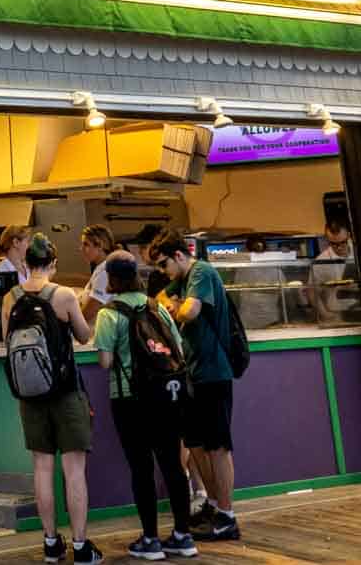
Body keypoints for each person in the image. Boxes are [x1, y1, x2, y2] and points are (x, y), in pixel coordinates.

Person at [3, 234, 100, 565]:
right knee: (73, 472)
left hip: (29, 397)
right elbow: (85, 336)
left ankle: (50, 544)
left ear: (25, 264)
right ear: (53, 264)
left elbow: (7, 341)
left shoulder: (9, 298)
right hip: (66, 393)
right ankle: (82, 546)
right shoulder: (64, 295)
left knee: (41, 469)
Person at [93, 251, 195, 560]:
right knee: (172, 465)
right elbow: (177, 347)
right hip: (166, 396)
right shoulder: (158, 308)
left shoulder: (108, 314)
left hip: (129, 399)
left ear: (110, 278)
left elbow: (105, 361)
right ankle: (182, 535)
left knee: (141, 468)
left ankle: (150, 539)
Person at [149, 228, 239, 543]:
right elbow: (159, 300)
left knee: (218, 446)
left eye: (163, 265)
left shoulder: (200, 272)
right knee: (197, 444)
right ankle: (214, 505)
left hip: (214, 372)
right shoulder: (182, 280)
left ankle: (227, 515)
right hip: (193, 373)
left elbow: (190, 310)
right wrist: (171, 302)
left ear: (178, 255)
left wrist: (175, 308)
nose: (162, 273)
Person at [78, 226, 115, 323]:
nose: (81, 248)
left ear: (100, 246)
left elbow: (86, 314)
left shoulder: (105, 273)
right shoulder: (101, 267)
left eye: (86, 244)